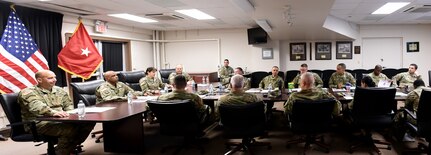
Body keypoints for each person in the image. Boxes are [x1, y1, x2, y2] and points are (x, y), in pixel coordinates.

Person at [18, 70, 95, 155]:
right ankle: (60, 152)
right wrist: (53, 113)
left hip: (62, 119)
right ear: (39, 80)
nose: (54, 80)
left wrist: (70, 115)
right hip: (38, 124)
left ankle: (66, 148)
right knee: (70, 130)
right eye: (50, 78)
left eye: (55, 77)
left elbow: (68, 105)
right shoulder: (27, 92)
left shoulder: (59, 90)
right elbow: (36, 107)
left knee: (88, 123)